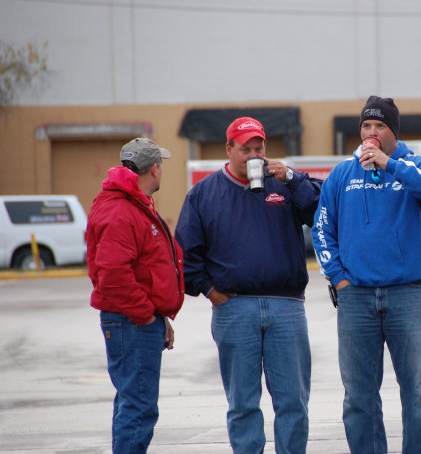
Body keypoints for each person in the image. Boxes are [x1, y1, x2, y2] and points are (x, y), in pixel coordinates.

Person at [312, 95, 421, 453]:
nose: (371, 132)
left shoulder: (413, 166)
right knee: (358, 396)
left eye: (379, 125)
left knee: (417, 392)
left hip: (407, 294)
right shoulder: (342, 175)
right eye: (366, 125)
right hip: (356, 297)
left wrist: (391, 165)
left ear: (393, 131)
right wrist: (339, 278)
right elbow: (322, 230)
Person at [174, 116, 322, 454]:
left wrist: (293, 179)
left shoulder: (283, 185)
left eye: (259, 148)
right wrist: (210, 291)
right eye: (245, 149)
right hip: (234, 309)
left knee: (293, 401)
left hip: (286, 306)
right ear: (229, 149)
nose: (254, 155)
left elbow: (322, 210)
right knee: (243, 403)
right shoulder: (204, 193)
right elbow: (185, 253)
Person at [86, 138, 185, 453]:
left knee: (133, 402)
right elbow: (113, 274)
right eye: (161, 166)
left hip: (136, 319)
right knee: (139, 407)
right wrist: (145, 315)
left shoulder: (131, 202)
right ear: (154, 169)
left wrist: (160, 317)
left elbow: (141, 269)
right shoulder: (121, 208)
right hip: (131, 322)